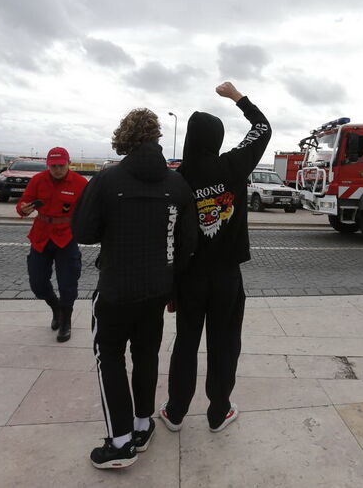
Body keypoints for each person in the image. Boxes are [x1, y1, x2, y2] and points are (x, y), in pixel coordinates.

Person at [72, 109, 197, 470]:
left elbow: (84, 232)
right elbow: (188, 242)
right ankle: (142, 426)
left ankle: (120, 442)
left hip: (115, 289)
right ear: (157, 138)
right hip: (157, 289)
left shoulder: (108, 180)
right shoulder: (177, 185)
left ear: (124, 138)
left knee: (108, 357)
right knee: (146, 356)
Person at [161, 81, 271, 434]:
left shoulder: (177, 180)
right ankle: (218, 411)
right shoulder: (233, 166)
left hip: (190, 278)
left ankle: (176, 412)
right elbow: (263, 129)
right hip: (226, 277)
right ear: (218, 139)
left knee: (186, 343)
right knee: (224, 345)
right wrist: (238, 98)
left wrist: (172, 287)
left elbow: (170, 237)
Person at [16, 147, 88, 342]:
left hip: (66, 237)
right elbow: (23, 205)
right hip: (41, 236)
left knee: (68, 283)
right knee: (37, 283)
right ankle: (55, 307)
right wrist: (23, 209)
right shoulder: (38, 180)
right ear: (48, 164)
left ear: (68, 163)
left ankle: (66, 319)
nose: (57, 169)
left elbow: (88, 211)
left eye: (61, 166)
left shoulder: (80, 183)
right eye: (53, 166)